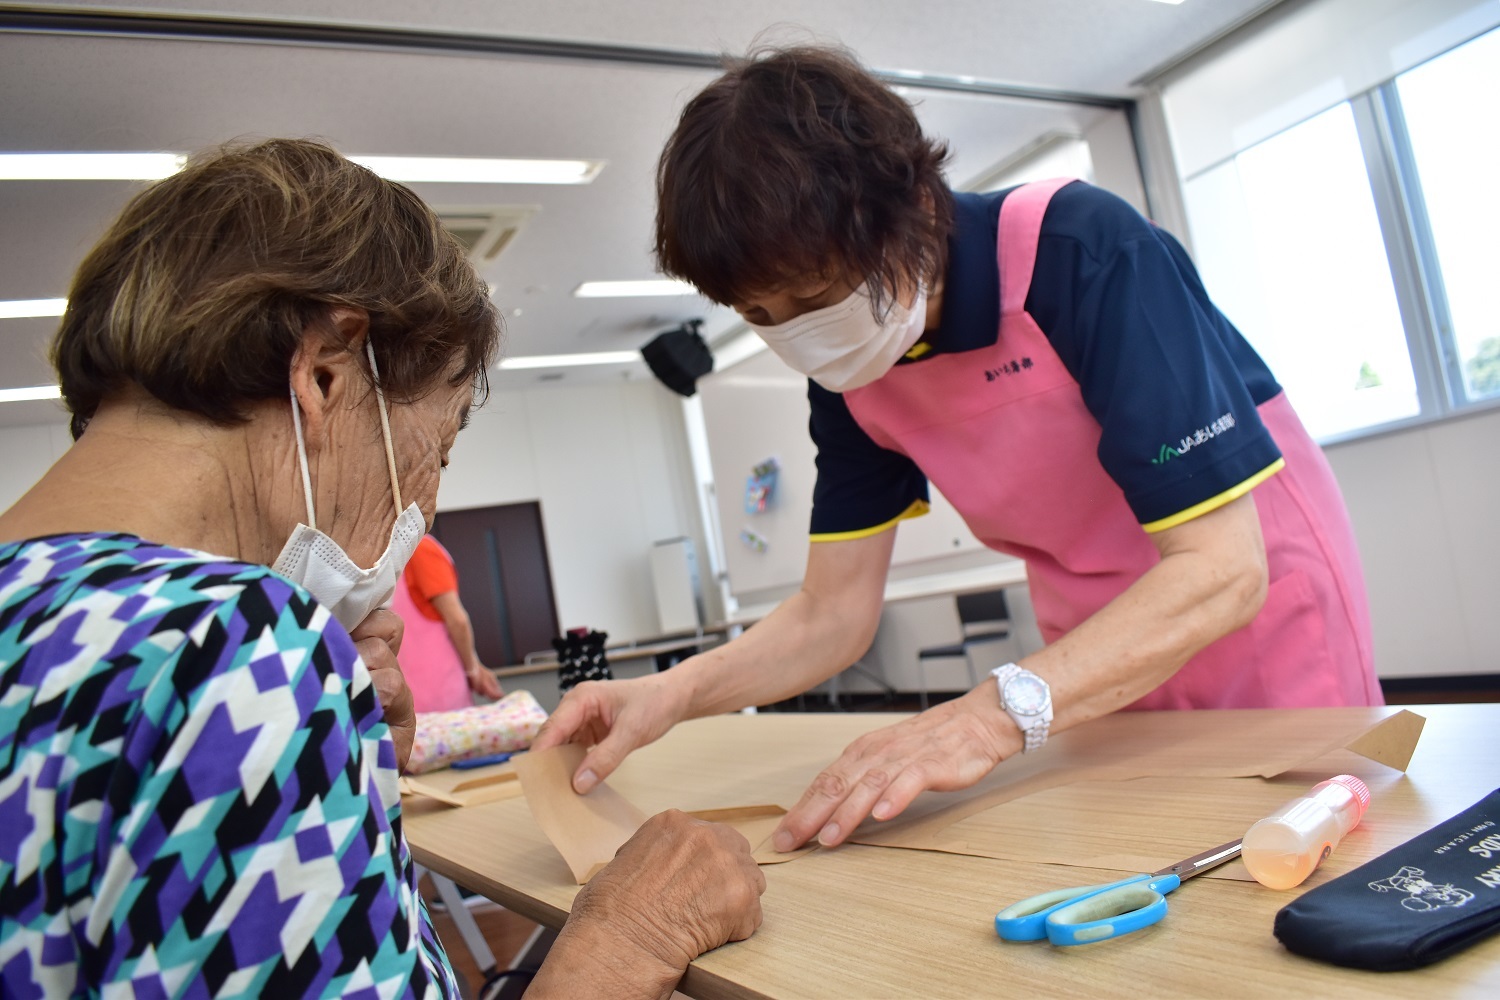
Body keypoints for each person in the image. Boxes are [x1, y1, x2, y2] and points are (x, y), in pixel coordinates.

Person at [535, 45, 1383, 856]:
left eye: (818, 294)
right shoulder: (849, 369)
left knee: (1303, 846)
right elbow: (833, 612)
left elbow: (1221, 568)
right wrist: (671, 692)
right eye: (762, 315)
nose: (799, 332)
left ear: (917, 210)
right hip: (1084, 644)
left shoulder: (1078, 252)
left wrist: (984, 717)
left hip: (1247, 601)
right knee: (1144, 854)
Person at [0, 139, 763, 998]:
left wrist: (336, 803)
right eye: (431, 452)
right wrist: (629, 938)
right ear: (325, 372)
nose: (423, 507)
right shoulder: (231, 648)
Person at [394, 534, 504, 712]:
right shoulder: (413, 551)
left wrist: (474, 668)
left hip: (424, 688)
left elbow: (456, 620)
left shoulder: (413, 551)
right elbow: (457, 619)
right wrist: (472, 669)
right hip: (435, 687)